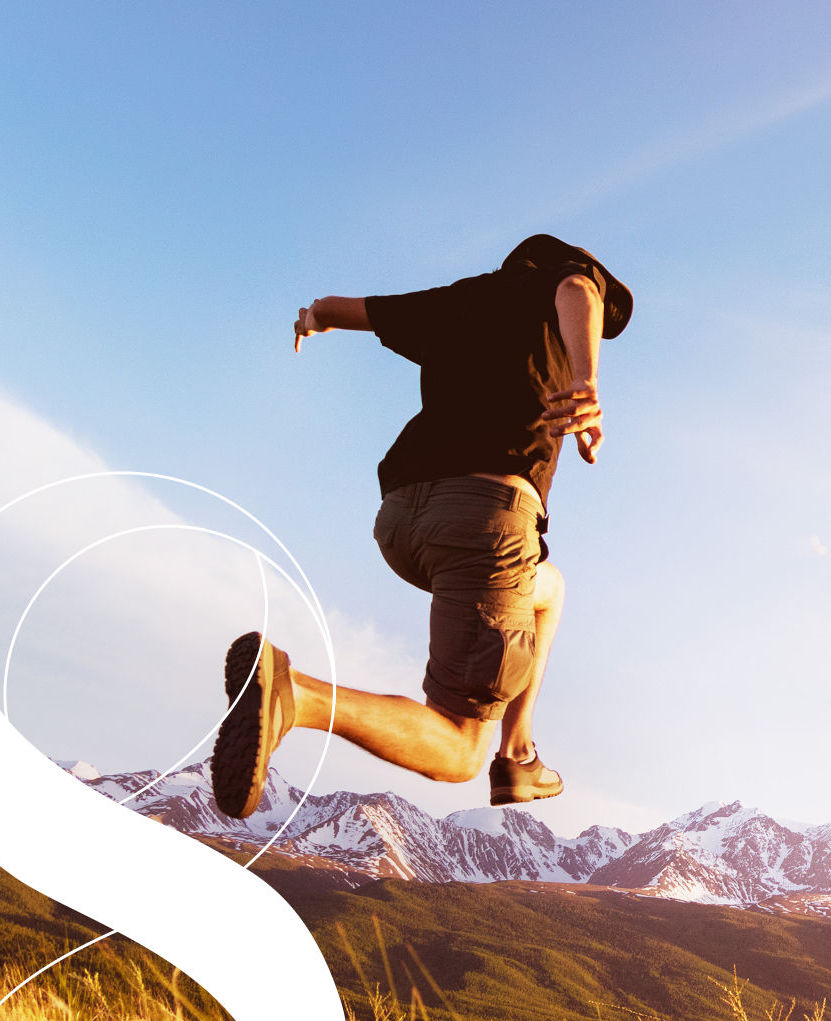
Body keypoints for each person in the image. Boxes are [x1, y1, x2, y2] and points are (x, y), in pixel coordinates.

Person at [212, 235, 631, 819]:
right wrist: (585, 380)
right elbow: (577, 288)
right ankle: (294, 695)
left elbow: (335, 308)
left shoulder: (454, 301)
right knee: (459, 748)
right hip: (485, 521)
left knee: (550, 588)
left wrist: (311, 320)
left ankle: (517, 754)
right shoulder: (562, 285)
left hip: (402, 522)